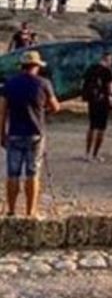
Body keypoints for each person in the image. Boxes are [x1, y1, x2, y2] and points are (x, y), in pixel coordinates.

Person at [0, 50, 60, 217]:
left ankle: (11, 211)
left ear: (22, 67)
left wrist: (1, 134)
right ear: (36, 67)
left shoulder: (9, 84)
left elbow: (2, 112)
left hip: (14, 133)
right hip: (35, 133)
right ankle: (30, 211)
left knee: (13, 173)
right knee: (32, 173)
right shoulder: (43, 83)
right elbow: (55, 106)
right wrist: (43, 109)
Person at [81, 51, 112, 163]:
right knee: (101, 128)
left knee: (91, 126)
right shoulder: (107, 71)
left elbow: (83, 83)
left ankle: (87, 153)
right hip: (103, 102)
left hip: (92, 101)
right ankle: (95, 154)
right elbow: (111, 89)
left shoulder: (91, 69)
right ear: (108, 60)